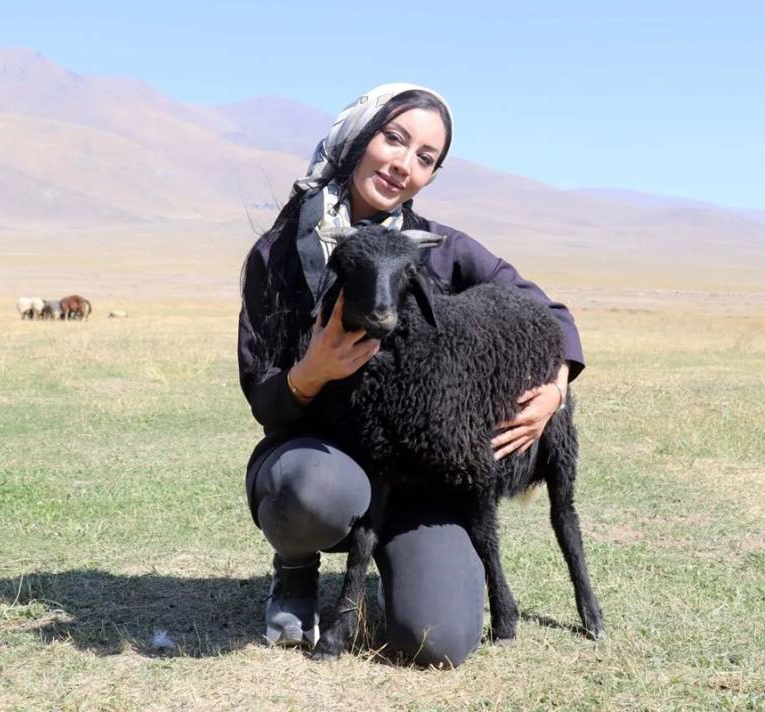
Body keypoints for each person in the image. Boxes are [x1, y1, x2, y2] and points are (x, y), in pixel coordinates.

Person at [238, 83, 585, 667]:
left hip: (417, 472)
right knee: (310, 490)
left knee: (439, 639)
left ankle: (403, 565)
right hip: (321, 457)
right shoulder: (278, 254)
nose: (403, 164)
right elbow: (263, 397)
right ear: (357, 137)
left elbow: (547, 312)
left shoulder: (438, 250)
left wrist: (556, 386)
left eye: (425, 158)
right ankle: (297, 570)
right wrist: (311, 373)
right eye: (393, 139)